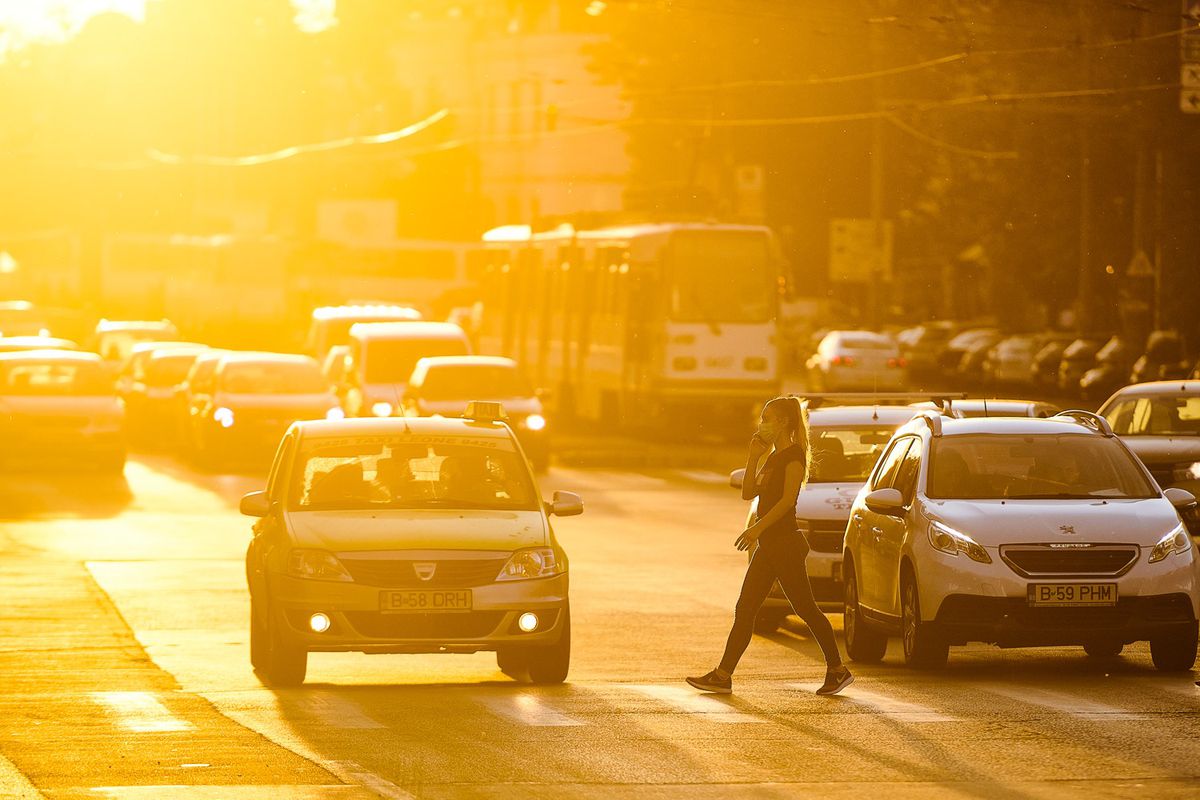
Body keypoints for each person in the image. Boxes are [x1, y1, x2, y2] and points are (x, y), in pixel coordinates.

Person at [687, 396, 853, 697]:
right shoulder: (773, 457)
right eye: (761, 418)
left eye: (767, 418)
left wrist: (756, 528)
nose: (761, 424)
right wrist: (752, 457)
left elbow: (787, 501)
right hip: (769, 545)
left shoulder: (793, 456)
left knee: (806, 609)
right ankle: (723, 676)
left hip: (785, 543)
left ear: (784, 422)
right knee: (746, 608)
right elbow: (747, 493)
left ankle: (837, 669)